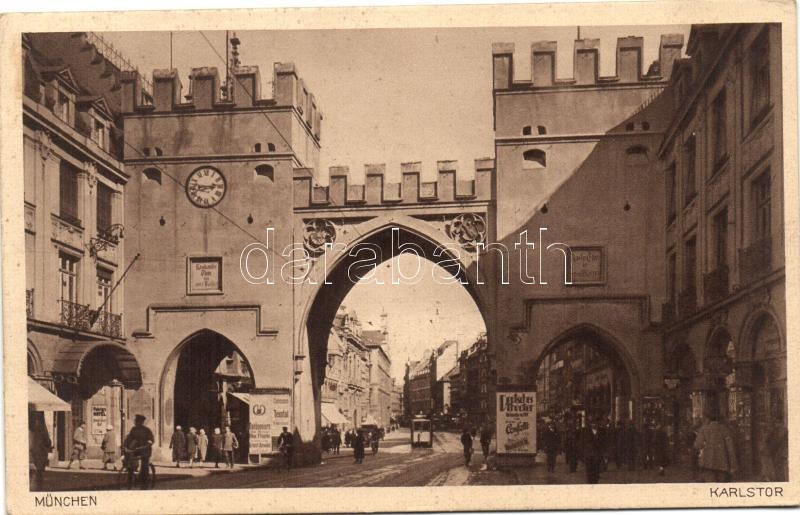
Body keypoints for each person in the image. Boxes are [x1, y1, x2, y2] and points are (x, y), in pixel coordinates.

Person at [693, 412, 737, 482]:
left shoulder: (704, 429)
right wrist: (733, 466)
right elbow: (730, 448)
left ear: (708, 419)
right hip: (722, 464)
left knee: (709, 487)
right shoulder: (725, 430)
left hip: (707, 463)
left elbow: (697, 445)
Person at [122, 414, 154, 488]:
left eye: (137, 421)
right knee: (130, 464)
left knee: (144, 465)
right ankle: (130, 480)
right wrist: (125, 445)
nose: (136, 422)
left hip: (145, 451)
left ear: (141, 422)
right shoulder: (134, 429)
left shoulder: (147, 430)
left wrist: (148, 444)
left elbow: (151, 440)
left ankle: (145, 483)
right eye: (136, 421)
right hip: (136, 450)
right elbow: (129, 438)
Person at [29, 412, 52, 491]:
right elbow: (48, 442)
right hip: (40, 454)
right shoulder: (42, 429)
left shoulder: (31, 429)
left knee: (35, 473)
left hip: (33, 453)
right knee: (39, 473)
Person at [582, 418, 604, 484]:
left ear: (598, 424)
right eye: (592, 423)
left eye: (595, 423)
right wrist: (584, 453)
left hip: (597, 455)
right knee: (589, 471)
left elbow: (604, 443)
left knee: (596, 471)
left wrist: (604, 454)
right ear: (590, 424)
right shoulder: (585, 432)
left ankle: (595, 482)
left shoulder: (602, 432)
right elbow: (582, 443)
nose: (594, 425)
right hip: (589, 455)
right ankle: (590, 482)